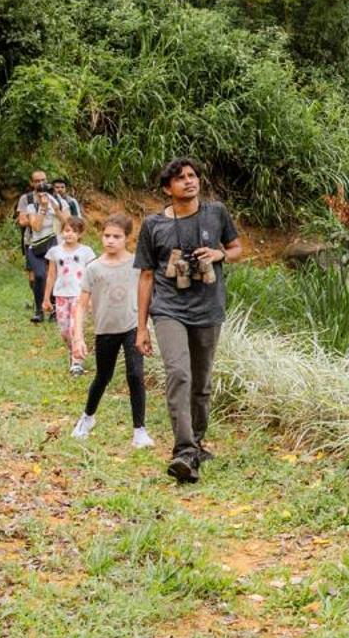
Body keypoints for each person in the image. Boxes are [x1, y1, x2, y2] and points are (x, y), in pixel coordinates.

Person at [134, 159, 241, 484]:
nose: (189, 182)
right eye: (180, 178)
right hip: (169, 309)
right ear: (168, 188)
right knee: (179, 374)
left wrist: (219, 254)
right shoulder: (153, 225)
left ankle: (196, 442)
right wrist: (141, 327)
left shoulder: (216, 213)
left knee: (201, 382)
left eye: (192, 176)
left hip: (208, 308)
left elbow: (236, 248)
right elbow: (147, 276)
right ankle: (183, 451)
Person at [72, 214, 151, 449]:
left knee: (135, 375)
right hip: (105, 329)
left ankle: (140, 430)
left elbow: (148, 293)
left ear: (127, 238)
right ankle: (87, 417)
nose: (110, 240)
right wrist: (77, 336)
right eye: (107, 236)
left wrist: (146, 327)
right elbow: (81, 304)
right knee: (103, 377)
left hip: (132, 327)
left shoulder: (137, 263)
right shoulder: (93, 268)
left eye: (117, 236)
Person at [44, 217, 94, 375]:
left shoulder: (86, 252)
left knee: (74, 327)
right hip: (61, 294)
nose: (70, 234)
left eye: (74, 231)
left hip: (79, 294)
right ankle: (74, 350)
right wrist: (46, 298)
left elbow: (93, 275)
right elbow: (51, 275)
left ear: (80, 234)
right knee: (64, 330)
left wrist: (92, 297)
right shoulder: (55, 252)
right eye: (67, 230)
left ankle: (77, 362)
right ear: (61, 232)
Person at [15, 170, 60, 323]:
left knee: (50, 274)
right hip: (32, 241)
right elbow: (22, 221)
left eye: (43, 179)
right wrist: (35, 215)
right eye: (37, 180)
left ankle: (51, 307)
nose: (40, 182)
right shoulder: (26, 199)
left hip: (52, 241)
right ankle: (39, 304)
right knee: (36, 276)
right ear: (31, 182)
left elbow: (64, 216)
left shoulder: (53, 197)